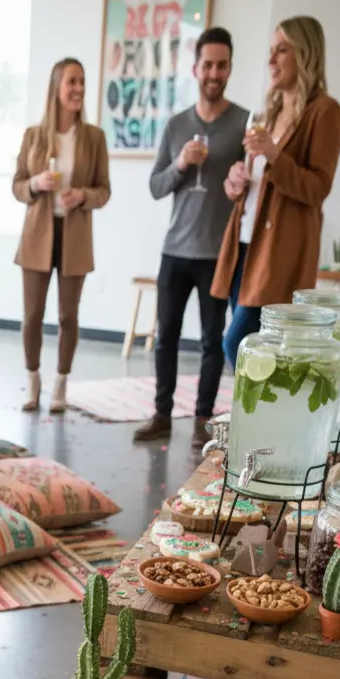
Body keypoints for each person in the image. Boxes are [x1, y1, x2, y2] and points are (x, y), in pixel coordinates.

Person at [134, 28, 248, 447]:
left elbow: (252, 186)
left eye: (222, 65)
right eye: (208, 65)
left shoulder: (243, 124)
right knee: (165, 337)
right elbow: (156, 186)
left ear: (229, 69)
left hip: (218, 254)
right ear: (196, 68)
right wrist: (181, 163)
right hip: (175, 251)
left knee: (212, 342)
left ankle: (203, 419)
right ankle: (161, 415)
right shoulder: (176, 125)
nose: (214, 73)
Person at [213, 16, 340, 369]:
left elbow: (317, 188)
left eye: (281, 50)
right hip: (244, 243)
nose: (271, 59)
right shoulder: (268, 112)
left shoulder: (324, 112)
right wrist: (235, 180)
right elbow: (258, 184)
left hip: (278, 253)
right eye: (271, 50)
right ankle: (252, 405)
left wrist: (274, 155)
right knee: (258, 356)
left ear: (306, 54)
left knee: (238, 345)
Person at [13, 58, 110, 413]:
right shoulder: (33, 136)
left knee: (68, 317)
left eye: (82, 81)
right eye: (72, 81)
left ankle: (61, 383)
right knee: (31, 316)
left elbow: (104, 191)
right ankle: (32, 380)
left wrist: (82, 195)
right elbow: (17, 186)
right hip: (37, 236)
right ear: (56, 87)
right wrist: (35, 184)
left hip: (75, 237)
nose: (78, 88)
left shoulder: (94, 138)